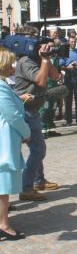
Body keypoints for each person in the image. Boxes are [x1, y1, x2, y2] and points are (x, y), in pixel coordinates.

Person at [14, 25, 61, 201]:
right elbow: (41, 81)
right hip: (26, 111)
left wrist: (47, 59)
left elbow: (55, 77)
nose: (39, 40)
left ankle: (39, 180)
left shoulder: (36, 58)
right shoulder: (26, 61)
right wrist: (44, 60)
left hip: (33, 109)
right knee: (38, 149)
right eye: (34, 37)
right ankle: (26, 187)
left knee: (36, 147)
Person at [0, 47, 30, 240]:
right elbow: (13, 115)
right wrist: (26, 132)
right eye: (10, 63)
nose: (13, 67)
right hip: (4, 139)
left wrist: (18, 99)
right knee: (3, 184)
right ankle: (3, 223)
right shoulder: (1, 87)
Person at [60, 36, 77, 126]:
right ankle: (68, 120)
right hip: (68, 76)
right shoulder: (65, 51)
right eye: (71, 42)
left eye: (74, 42)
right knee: (68, 99)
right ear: (68, 42)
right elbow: (61, 65)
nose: (73, 43)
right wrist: (68, 67)